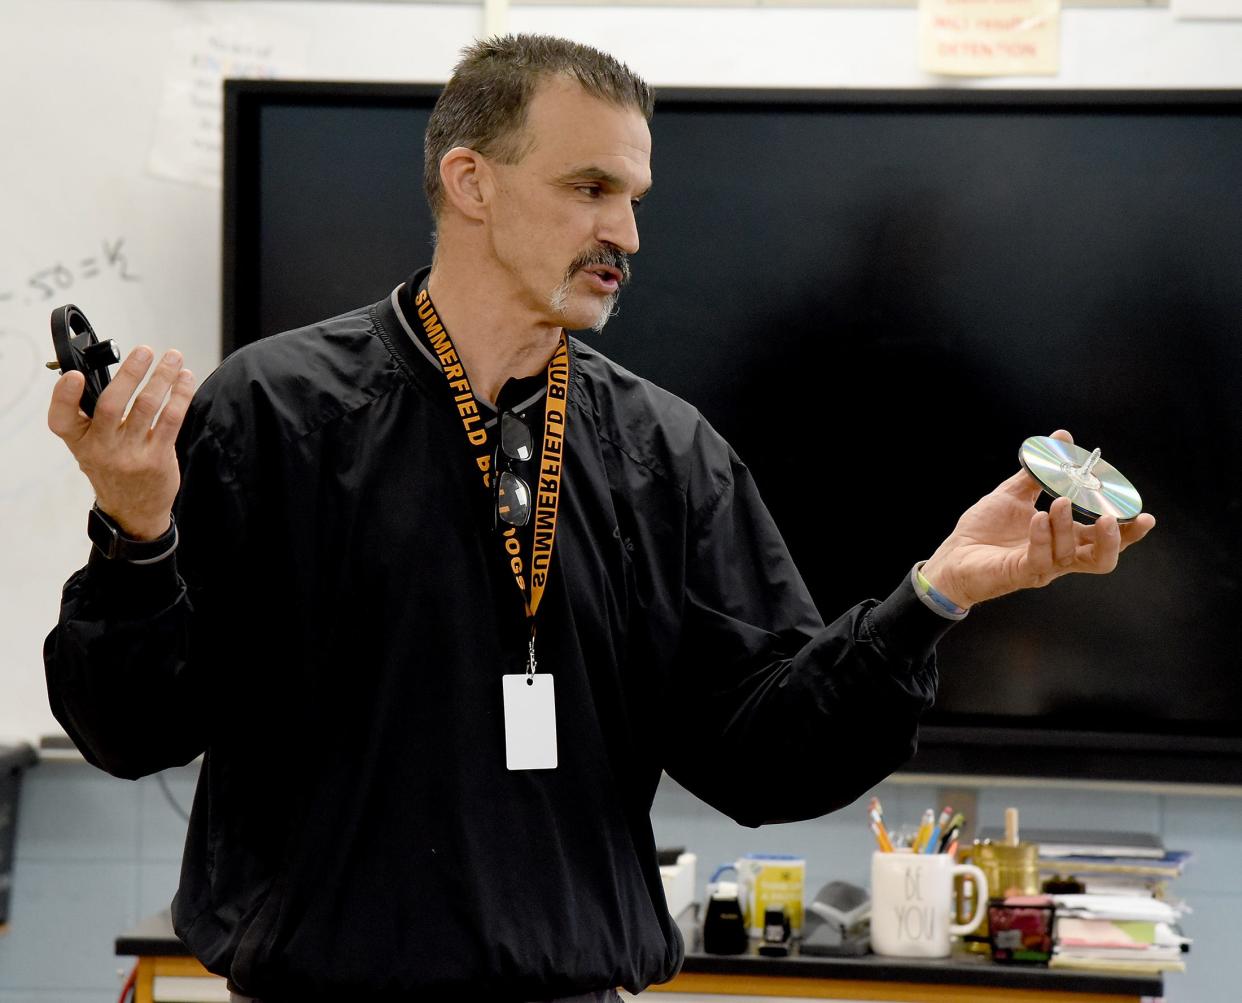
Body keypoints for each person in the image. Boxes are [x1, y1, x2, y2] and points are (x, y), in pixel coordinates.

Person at [44, 34, 1155, 1003]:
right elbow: (130, 729)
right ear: (471, 181)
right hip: (313, 996)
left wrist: (937, 593)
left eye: (634, 198)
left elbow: (768, 759)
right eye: (589, 189)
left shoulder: (665, 453)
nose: (625, 230)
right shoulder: (272, 410)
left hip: (571, 993)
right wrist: (136, 534)